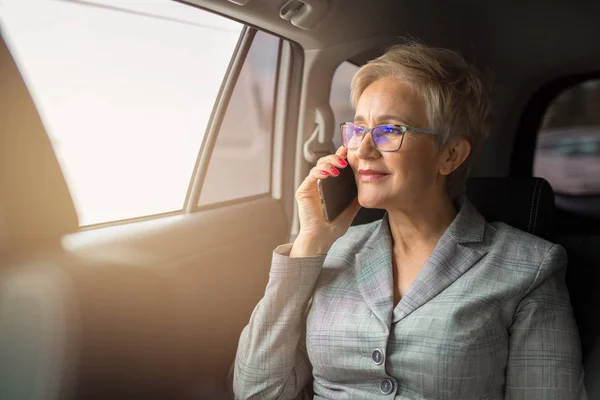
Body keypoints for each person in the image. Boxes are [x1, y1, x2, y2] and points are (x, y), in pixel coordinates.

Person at [233, 42, 587, 399]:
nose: (364, 150)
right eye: (358, 130)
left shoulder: (530, 267)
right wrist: (309, 242)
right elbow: (257, 391)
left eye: (390, 131)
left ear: (449, 155)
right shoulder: (330, 254)